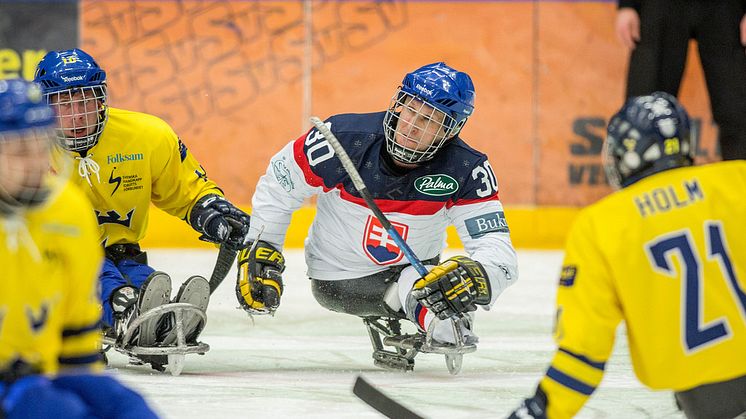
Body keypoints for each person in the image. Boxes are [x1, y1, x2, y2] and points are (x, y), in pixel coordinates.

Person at [236, 62, 518, 369]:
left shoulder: (466, 169)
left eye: (429, 120)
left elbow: (497, 250)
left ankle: (432, 311)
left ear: (451, 130)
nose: (411, 126)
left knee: (442, 302)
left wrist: (477, 276)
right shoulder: (343, 139)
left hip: (416, 275)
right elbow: (280, 184)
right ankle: (428, 310)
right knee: (431, 295)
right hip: (337, 279)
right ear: (398, 104)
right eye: (410, 110)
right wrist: (262, 247)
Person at [508, 92, 746, 419]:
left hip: (708, 399)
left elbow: (583, 355)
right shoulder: (737, 181)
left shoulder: (601, 224)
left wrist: (540, 410)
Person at [32, 49, 251, 362]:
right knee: (106, 284)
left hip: (122, 253)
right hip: (55, 260)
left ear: (102, 99)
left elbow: (184, 190)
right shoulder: (22, 149)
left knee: (147, 286)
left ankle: (152, 320)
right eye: (64, 104)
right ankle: (109, 313)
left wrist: (209, 211)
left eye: (86, 101)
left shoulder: (146, 136)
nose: (77, 114)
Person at [0, 78, 159, 418]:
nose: (34, 163)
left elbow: (76, 329)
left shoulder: (68, 209)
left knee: (130, 409)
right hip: (15, 382)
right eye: (18, 150)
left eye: (40, 145)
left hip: (40, 373)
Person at [615, 0, 746, 160]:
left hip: (724, 8)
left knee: (738, 113)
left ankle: (741, 182)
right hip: (660, 6)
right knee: (644, 115)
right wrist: (628, 5)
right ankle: (645, 183)